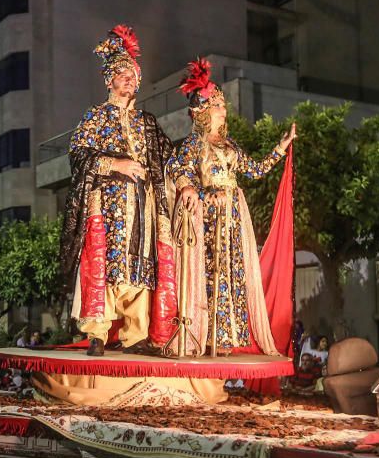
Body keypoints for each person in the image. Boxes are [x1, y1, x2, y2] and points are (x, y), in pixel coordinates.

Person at [60, 24, 176, 357]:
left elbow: (170, 156)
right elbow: (78, 153)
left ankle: (136, 335)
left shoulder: (147, 121)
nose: (129, 78)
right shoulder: (95, 116)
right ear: (109, 79)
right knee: (103, 264)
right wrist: (116, 164)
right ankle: (97, 333)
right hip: (106, 203)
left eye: (133, 74)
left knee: (139, 265)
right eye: (122, 73)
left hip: (142, 205)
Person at [167, 58, 295, 356]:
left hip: (233, 217)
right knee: (208, 273)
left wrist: (281, 147)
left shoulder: (231, 146)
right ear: (203, 112)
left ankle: (225, 339)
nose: (224, 111)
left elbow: (254, 170)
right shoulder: (192, 145)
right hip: (207, 218)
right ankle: (203, 335)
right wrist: (196, 190)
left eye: (223, 106)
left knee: (231, 273)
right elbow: (177, 169)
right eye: (217, 105)